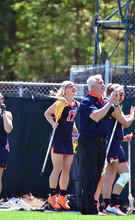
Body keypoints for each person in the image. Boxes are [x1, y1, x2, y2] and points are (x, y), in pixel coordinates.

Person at [78, 74, 122, 215]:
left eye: (103, 82)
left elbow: (118, 116)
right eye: (100, 82)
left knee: (97, 176)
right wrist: (109, 103)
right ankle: (90, 209)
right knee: (89, 176)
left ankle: (87, 208)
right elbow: (96, 117)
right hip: (89, 141)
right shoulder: (87, 101)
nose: (103, 84)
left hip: (102, 142)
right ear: (92, 86)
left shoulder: (104, 101)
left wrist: (115, 103)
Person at [101, 84, 135, 216]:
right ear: (112, 92)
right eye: (119, 92)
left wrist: (133, 115)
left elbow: (120, 123)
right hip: (113, 145)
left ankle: (106, 207)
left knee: (110, 177)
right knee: (125, 175)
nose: (122, 95)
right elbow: (126, 123)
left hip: (113, 142)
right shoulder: (112, 104)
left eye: (123, 92)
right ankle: (112, 204)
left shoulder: (110, 103)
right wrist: (134, 114)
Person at [44, 81, 79, 210]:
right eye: (71, 87)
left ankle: (62, 197)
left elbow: (71, 118)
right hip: (58, 138)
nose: (74, 88)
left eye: (74, 86)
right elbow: (47, 113)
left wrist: (74, 127)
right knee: (57, 167)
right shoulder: (61, 102)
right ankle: (52, 196)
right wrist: (53, 123)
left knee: (67, 169)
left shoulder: (76, 104)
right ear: (64, 90)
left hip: (68, 139)